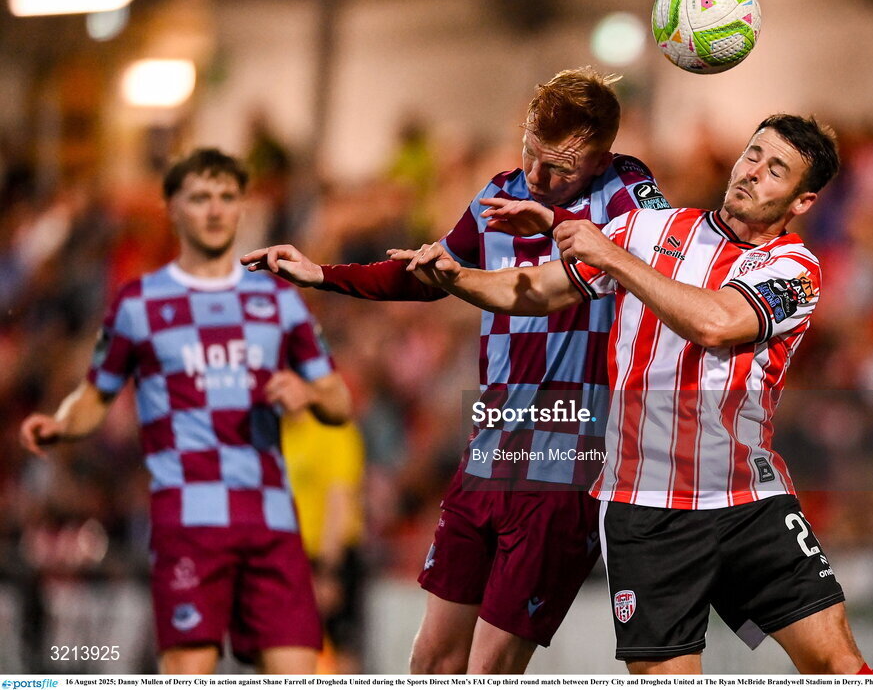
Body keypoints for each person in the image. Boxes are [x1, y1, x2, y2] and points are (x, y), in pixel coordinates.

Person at [390, 114, 873, 675]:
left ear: (802, 201)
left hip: (747, 502)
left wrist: (614, 259)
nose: (751, 173)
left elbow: (716, 323)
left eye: (775, 170)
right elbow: (538, 292)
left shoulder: (794, 269)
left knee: (839, 665)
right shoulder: (648, 230)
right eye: (751, 155)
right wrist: (457, 278)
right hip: (643, 511)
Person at [241, 67, 672, 673]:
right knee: (434, 662)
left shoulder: (629, 190)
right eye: (531, 155)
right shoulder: (497, 192)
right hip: (490, 449)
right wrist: (323, 274)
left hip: (566, 457)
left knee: (487, 672)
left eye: (562, 168)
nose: (539, 178)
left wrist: (549, 223)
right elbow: (435, 273)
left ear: (602, 158)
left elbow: (655, 263)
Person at [19, 148, 351, 674]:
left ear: (242, 208)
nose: (215, 210)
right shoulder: (139, 305)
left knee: (299, 670)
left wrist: (310, 396)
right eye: (200, 198)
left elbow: (339, 399)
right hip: (189, 520)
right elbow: (95, 393)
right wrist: (61, 423)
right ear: (172, 208)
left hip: (270, 519)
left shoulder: (280, 302)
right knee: (189, 664)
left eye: (226, 197)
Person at [281, 409, 367, 673]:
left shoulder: (333, 428)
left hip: (327, 554)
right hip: (288, 555)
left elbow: (339, 500)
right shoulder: (277, 430)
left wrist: (329, 570)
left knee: (339, 644)